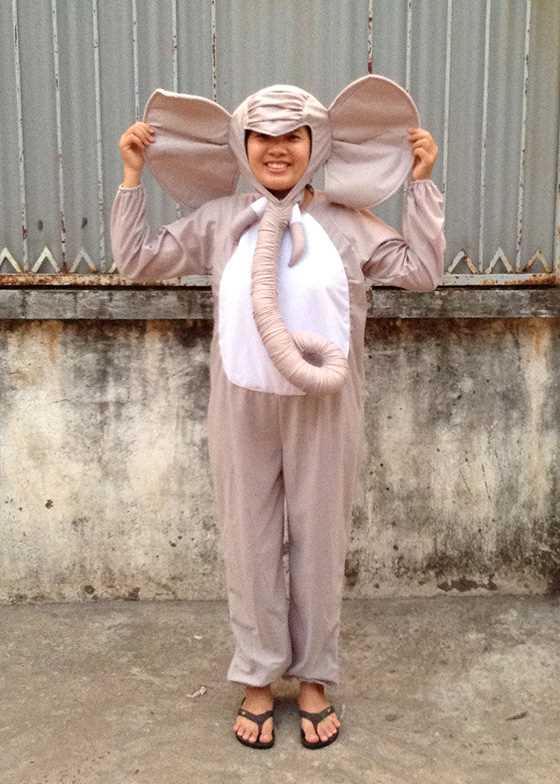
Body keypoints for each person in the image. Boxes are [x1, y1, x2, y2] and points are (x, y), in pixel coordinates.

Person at [111, 76, 445, 750]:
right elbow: (137, 260)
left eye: (292, 134)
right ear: (241, 144)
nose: (277, 148)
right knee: (250, 540)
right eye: (262, 135)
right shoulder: (219, 221)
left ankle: (315, 675)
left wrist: (421, 185)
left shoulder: (347, 222)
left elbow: (422, 271)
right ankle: (258, 675)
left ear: (316, 142)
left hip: (325, 405)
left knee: (319, 540)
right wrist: (132, 177)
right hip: (242, 403)